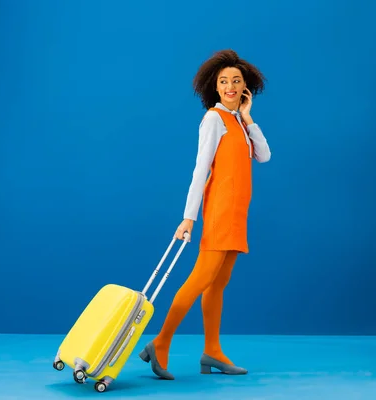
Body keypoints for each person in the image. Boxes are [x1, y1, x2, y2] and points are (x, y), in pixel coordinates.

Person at [138, 49, 271, 380]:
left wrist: (249, 117)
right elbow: (200, 170)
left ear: (245, 88)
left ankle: (212, 351)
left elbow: (264, 156)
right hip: (219, 212)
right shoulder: (213, 119)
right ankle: (161, 341)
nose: (229, 86)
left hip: (237, 215)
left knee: (217, 284)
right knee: (200, 279)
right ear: (214, 86)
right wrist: (189, 217)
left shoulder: (239, 122)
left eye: (236, 81)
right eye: (223, 81)